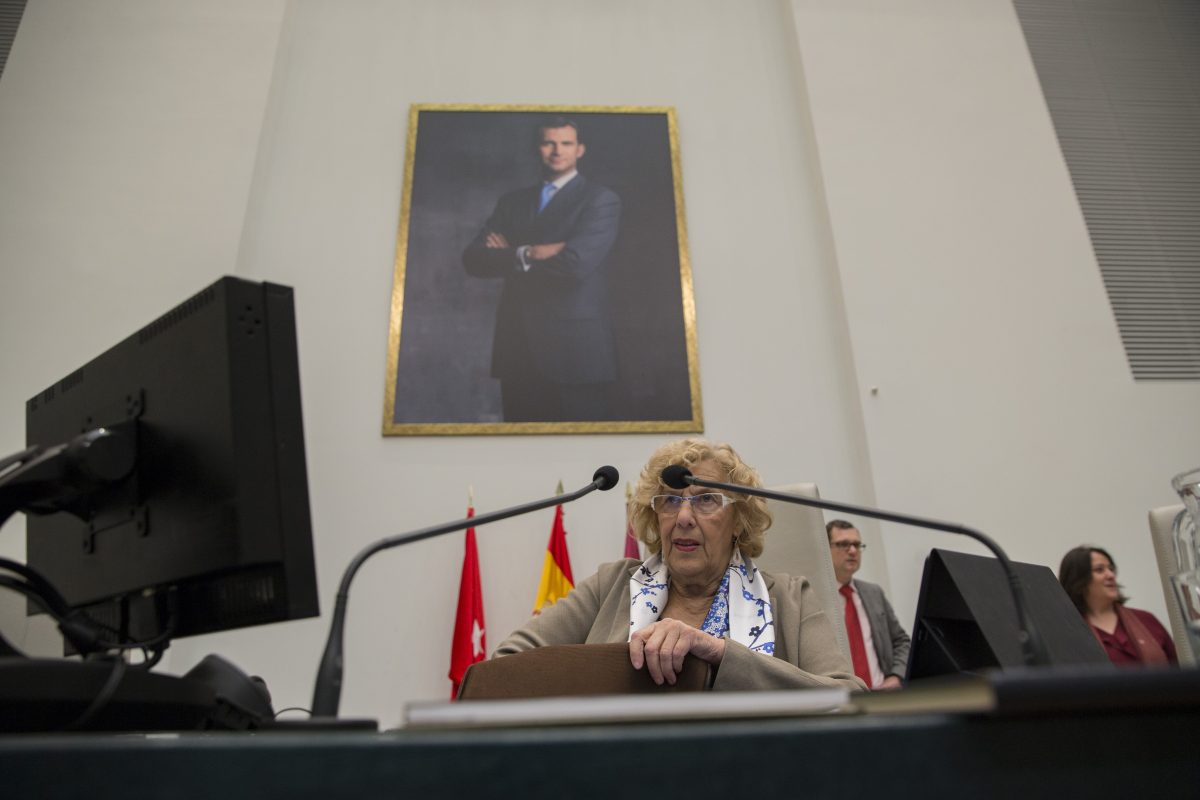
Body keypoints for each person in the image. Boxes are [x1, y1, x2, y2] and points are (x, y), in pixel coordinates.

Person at [493, 438, 864, 692]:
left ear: (738, 521)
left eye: (705, 500)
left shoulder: (790, 598)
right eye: (669, 501)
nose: (683, 517)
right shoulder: (612, 586)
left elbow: (846, 698)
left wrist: (720, 655)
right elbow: (503, 668)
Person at [462, 116, 621, 423]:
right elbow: (474, 259)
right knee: (519, 452)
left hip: (576, 350)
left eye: (566, 143)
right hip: (517, 345)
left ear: (580, 150)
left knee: (580, 458)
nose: (556, 151)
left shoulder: (600, 200)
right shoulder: (512, 202)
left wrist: (509, 254)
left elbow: (575, 264)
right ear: (538, 148)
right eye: (549, 142)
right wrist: (531, 251)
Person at [1058, 545, 1177, 667]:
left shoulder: (1146, 620)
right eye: (1100, 570)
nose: (1110, 575)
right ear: (1078, 580)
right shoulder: (1068, 632)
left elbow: (1179, 669)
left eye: (1111, 569)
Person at [826, 519, 910, 689]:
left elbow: (902, 641)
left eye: (857, 545)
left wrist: (896, 676)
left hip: (884, 697)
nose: (852, 551)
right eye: (843, 544)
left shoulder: (873, 593)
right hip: (842, 701)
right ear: (826, 549)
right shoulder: (816, 597)